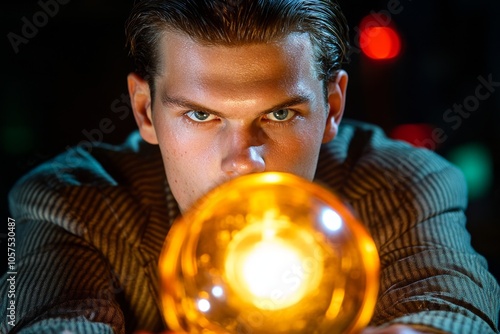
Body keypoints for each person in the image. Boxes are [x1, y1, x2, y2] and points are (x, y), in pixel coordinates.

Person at [1, 0, 499, 333]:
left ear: (333, 107)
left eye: (280, 113)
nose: (245, 160)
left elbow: (454, 311)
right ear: (145, 110)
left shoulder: (405, 184)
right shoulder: (64, 204)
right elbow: (43, 321)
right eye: (201, 114)